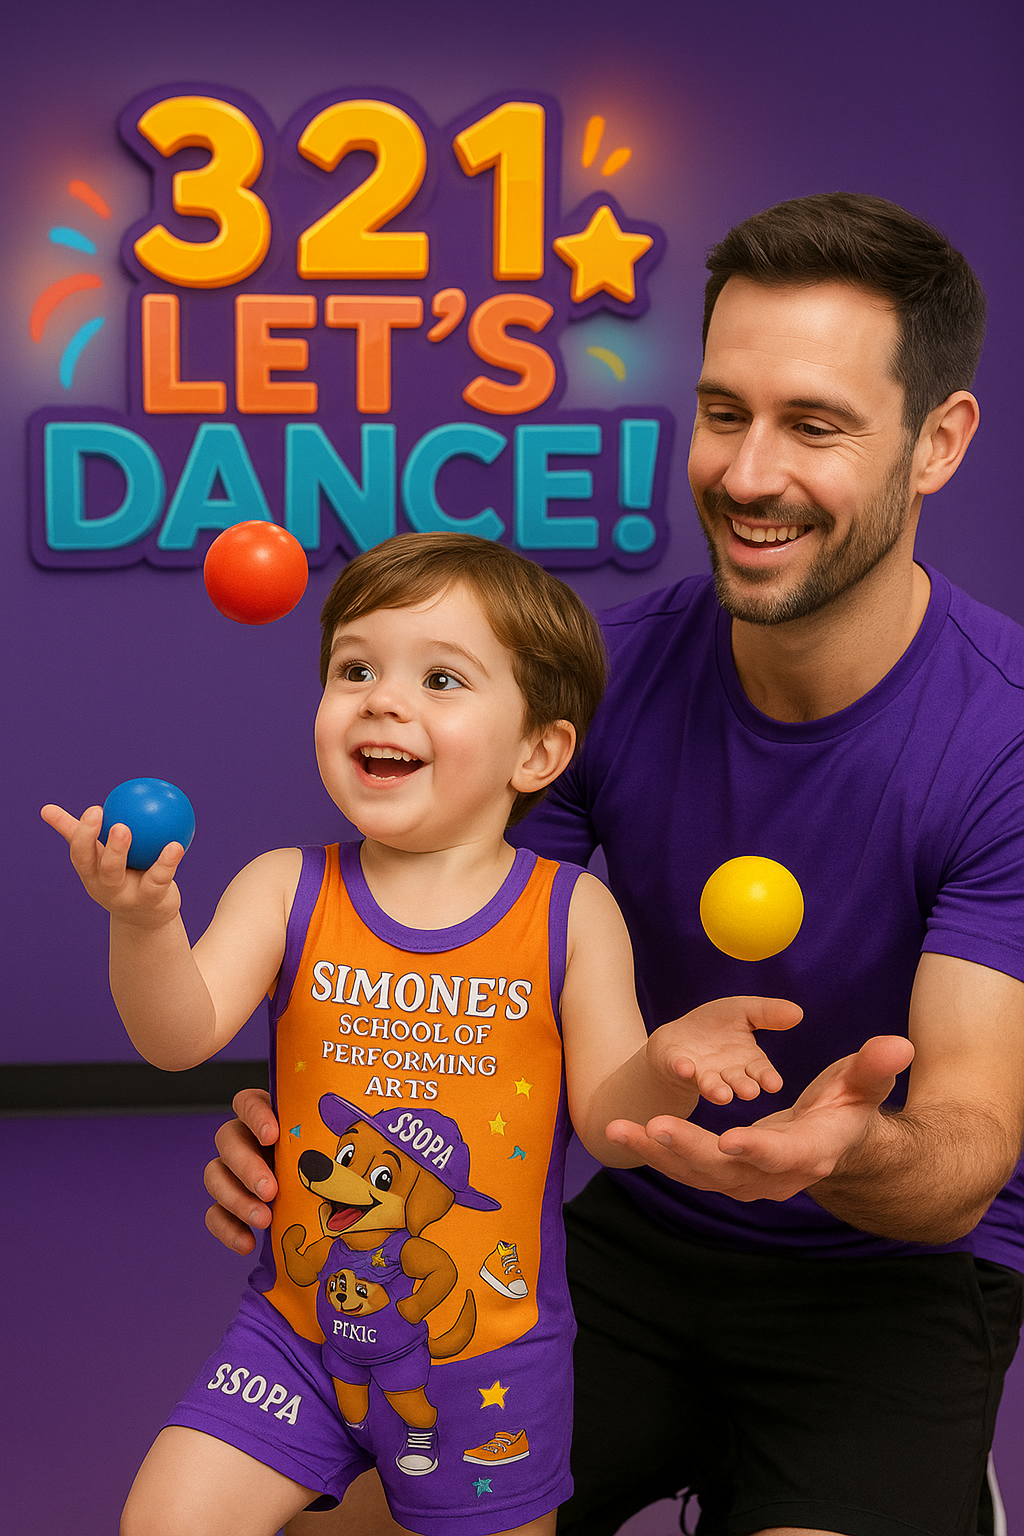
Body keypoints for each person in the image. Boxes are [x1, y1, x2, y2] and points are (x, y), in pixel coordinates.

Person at [208, 192, 1024, 1536]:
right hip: (625, 1242)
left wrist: (831, 1149)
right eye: (722, 413)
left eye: (813, 426)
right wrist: (314, 1111)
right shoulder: (603, 680)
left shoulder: (1000, 741)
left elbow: (966, 1155)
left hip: (890, 1281)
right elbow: (464, 954)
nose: (748, 473)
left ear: (937, 443)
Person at [41, 532, 805, 1536]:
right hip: (295, 1329)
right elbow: (176, 1037)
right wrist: (144, 924)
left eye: (441, 679)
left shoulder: (571, 913)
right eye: (354, 668)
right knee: (166, 1521)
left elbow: (608, 1116)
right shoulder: (284, 887)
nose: (383, 700)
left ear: (539, 751)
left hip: (489, 1362)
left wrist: (668, 1063)